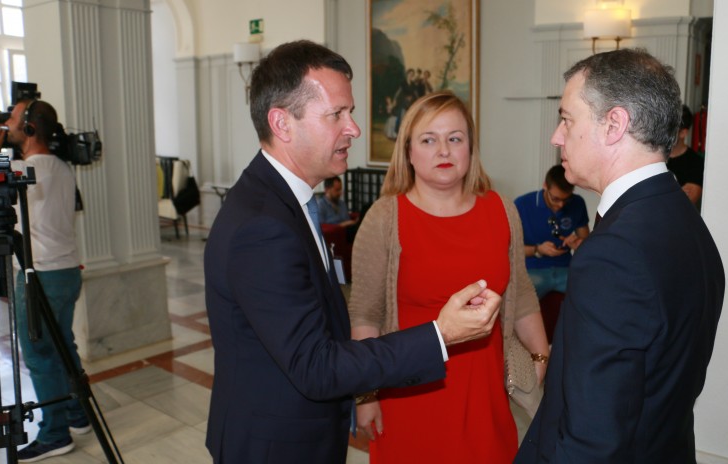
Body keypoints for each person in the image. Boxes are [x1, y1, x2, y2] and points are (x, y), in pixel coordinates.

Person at [203, 40, 503, 464]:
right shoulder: (263, 226)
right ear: (282, 123)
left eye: (352, 112)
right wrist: (442, 334)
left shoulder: (283, 202)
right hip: (276, 446)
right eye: (337, 115)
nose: (354, 129)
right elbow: (316, 367)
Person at [515, 48, 725, 463]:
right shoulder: (685, 219)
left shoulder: (614, 253)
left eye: (567, 118)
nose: (557, 136)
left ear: (614, 124)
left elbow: (592, 434)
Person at [349, 91, 549, 464]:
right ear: (409, 151)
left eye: (454, 139)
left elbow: (520, 294)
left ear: (470, 148)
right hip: (409, 398)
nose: (443, 150)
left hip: (485, 399)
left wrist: (540, 357)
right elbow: (365, 316)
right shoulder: (385, 219)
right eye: (429, 140)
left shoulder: (501, 210)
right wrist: (366, 396)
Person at [0, 100, 90, 462]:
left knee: (39, 354)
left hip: (41, 275)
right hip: (67, 272)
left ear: (30, 129)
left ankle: (54, 434)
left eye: (13, 119)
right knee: (63, 344)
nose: (7, 123)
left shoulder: (25, 170)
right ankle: (76, 413)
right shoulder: (62, 167)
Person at [514, 164, 589, 298]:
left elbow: (587, 244)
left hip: (566, 270)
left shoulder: (577, 203)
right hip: (533, 270)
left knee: (595, 288)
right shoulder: (522, 204)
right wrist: (538, 250)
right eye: (556, 199)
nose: (561, 205)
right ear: (545, 186)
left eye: (566, 199)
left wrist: (578, 244)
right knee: (518, 299)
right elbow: (510, 249)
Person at [667, 104, 705, 208]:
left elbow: (683, 204)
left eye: (670, 129)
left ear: (683, 133)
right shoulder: (653, 156)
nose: (664, 132)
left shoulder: (696, 163)